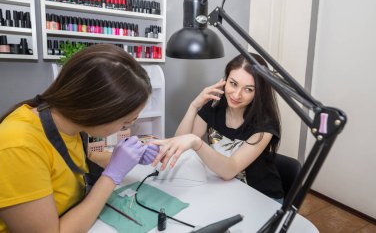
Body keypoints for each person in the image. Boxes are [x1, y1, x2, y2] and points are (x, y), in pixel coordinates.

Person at [0, 44, 160, 233]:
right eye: (125, 123)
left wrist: (125, 159)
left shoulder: (68, 122)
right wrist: (112, 176)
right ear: (96, 111)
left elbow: (82, 159)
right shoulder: (19, 147)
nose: (127, 128)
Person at [152, 53, 284, 202]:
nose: (236, 94)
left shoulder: (265, 125)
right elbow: (181, 141)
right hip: (226, 189)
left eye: (248, 89)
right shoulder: (215, 105)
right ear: (225, 81)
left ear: (259, 92)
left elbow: (230, 169)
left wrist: (197, 142)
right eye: (233, 83)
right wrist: (194, 106)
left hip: (262, 198)